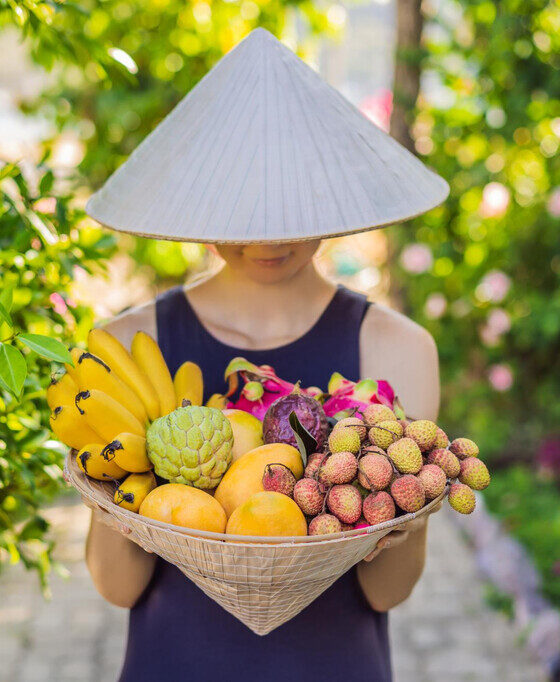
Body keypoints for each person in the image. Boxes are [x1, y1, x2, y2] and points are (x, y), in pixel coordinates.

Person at [82, 28, 448, 682]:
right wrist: (113, 502)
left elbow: (388, 591)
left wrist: (408, 515)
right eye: (240, 208)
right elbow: (117, 586)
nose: (267, 237)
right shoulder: (127, 349)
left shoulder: (399, 350)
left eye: (289, 205)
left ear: (328, 188)